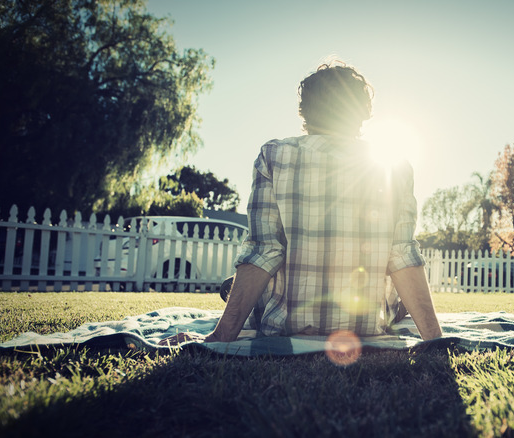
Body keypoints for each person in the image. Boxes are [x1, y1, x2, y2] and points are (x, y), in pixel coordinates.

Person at [162, 61, 441, 345]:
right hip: (365, 325)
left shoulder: (274, 156)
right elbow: (402, 255)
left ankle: (232, 291)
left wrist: (220, 337)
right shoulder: (394, 165)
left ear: (305, 111)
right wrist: (436, 340)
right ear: (363, 112)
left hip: (285, 325)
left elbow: (263, 251)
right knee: (396, 295)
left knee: (233, 286)